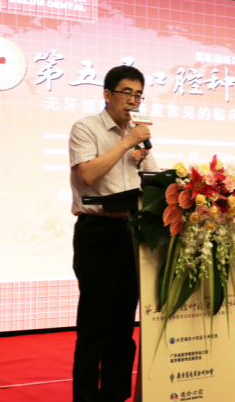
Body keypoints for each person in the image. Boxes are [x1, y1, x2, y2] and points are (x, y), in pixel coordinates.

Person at [68, 65, 159, 402]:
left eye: (138, 95)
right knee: (95, 325)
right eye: (127, 93)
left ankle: (115, 395)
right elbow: (88, 175)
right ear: (107, 94)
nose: (133, 100)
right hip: (97, 233)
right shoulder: (86, 128)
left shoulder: (138, 135)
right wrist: (125, 144)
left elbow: (154, 181)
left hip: (131, 233)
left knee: (122, 325)